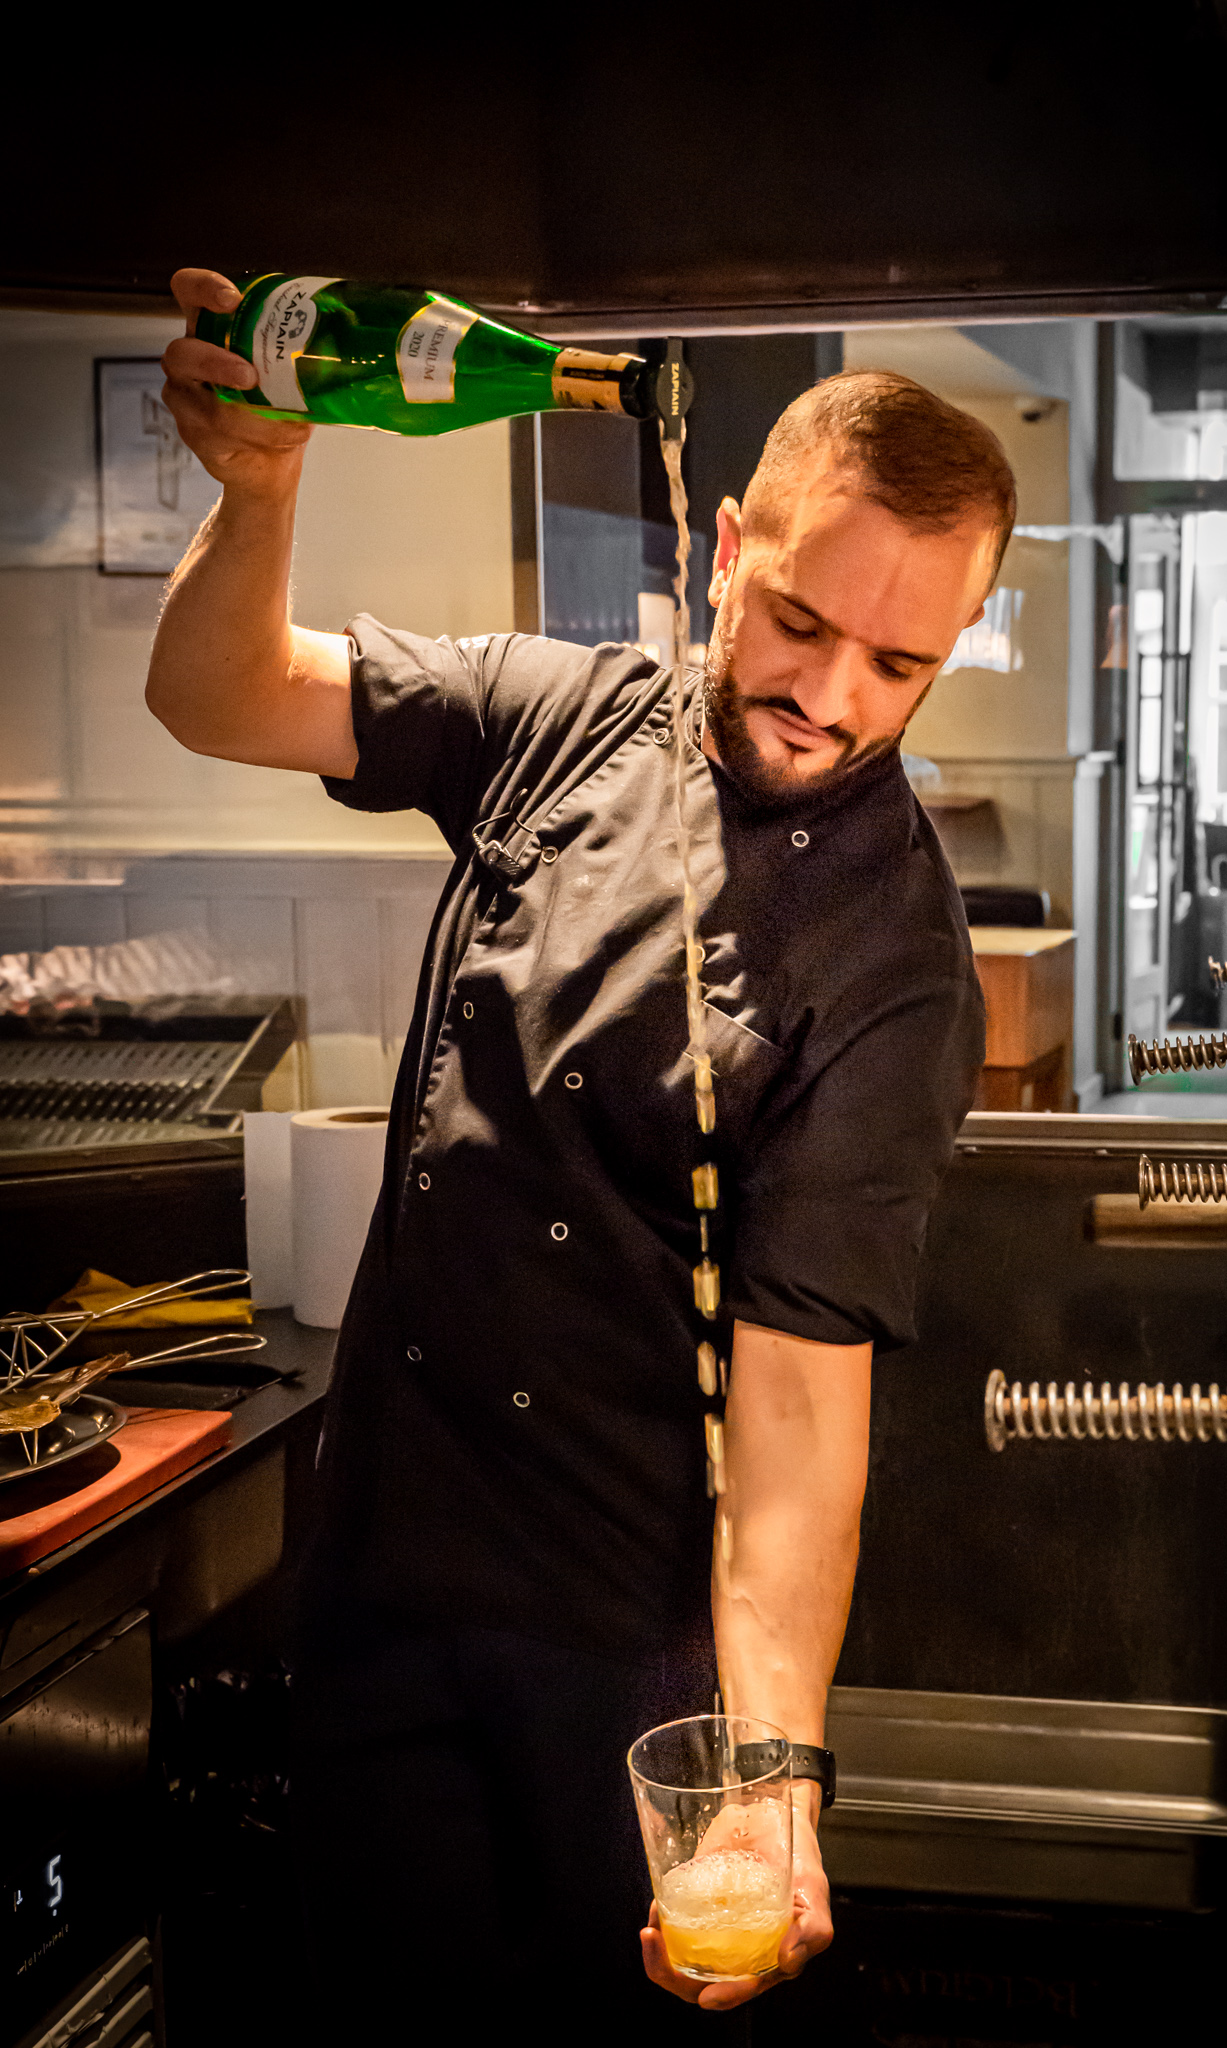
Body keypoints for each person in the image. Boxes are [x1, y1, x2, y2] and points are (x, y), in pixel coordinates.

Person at [150, 269, 1008, 2040]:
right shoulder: (560, 713)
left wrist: (770, 1782)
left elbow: (793, 1424)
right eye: (796, 623)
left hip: (618, 1670)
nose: (831, 698)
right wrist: (260, 503)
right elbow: (222, 697)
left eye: (899, 664)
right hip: (380, 1573)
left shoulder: (899, 969)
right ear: (720, 554)